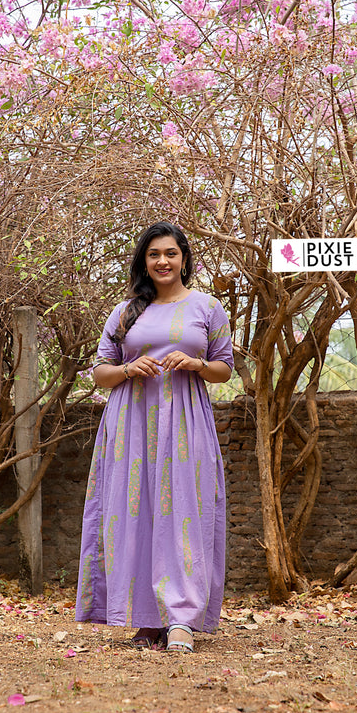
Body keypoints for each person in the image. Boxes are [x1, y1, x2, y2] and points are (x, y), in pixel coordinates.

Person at [75, 221, 233, 652]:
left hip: (185, 422)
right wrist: (129, 369)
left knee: (185, 513)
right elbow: (100, 372)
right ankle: (146, 618)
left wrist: (196, 364)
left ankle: (181, 620)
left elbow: (224, 368)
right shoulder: (126, 311)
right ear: (144, 262)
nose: (162, 261)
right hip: (131, 425)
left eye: (170, 253)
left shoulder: (207, 307)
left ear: (183, 259)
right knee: (135, 514)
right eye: (153, 255)